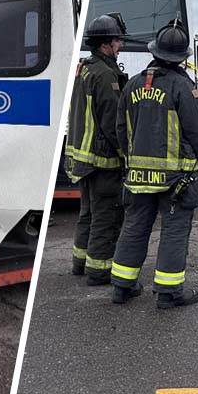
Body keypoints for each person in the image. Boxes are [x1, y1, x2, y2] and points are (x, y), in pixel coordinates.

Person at [110, 21, 198, 309]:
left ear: (155, 52)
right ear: (183, 57)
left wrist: (129, 161)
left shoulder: (132, 84)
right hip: (175, 178)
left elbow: (120, 129)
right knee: (175, 230)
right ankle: (169, 293)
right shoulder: (183, 86)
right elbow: (196, 131)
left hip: (137, 175)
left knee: (134, 227)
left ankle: (122, 286)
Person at [64, 14, 128, 285]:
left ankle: (80, 262)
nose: (120, 47)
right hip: (103, 161)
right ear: (105, 45)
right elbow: (113, 123)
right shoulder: (104, 75)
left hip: (83, 159)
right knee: (107, 216)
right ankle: (99, 270)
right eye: (117, 42)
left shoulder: (84, 69)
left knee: (87, 213)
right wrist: (127, 154)